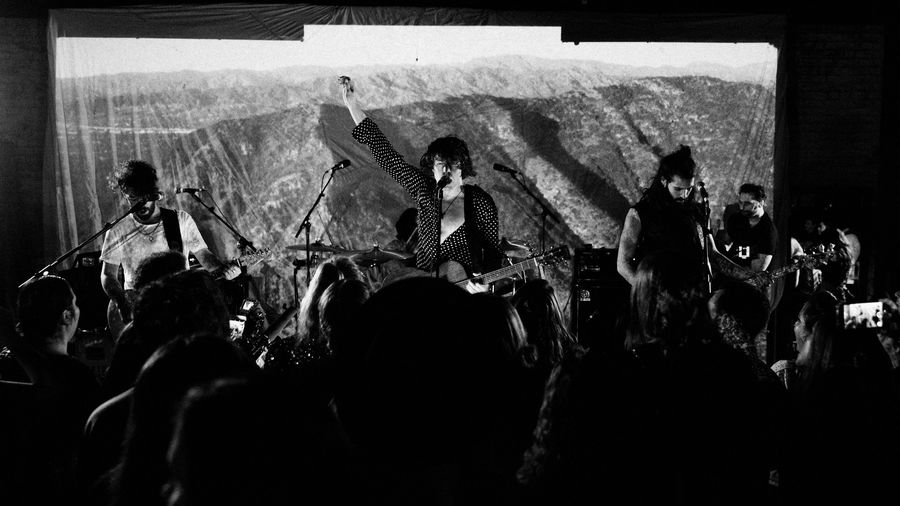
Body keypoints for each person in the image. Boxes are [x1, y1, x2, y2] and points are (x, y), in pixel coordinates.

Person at [339, 76, 502, 292]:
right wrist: (353, 105)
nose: (446, 171)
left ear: (463, 168)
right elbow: (387, 157)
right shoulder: (425, 190)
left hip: (462, 293)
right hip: (423, 290)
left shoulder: (480, 202)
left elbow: (493, 253)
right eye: (440, 165)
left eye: (452, 165)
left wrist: (485, 285)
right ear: (432, 169)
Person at [99, 159, 239, 337]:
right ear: (126, 196)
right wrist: (121, 302)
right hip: (139, 314)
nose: (140, 204)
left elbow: (204, 255)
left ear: (154, 193)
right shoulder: (118, 230)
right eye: (133, 199)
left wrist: (223, 270)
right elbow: (107, 274)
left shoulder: (181, 221)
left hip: (179, 312)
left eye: (145, 197)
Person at [616, 145, 706, 287]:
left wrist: (751, 278)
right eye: (678, 189)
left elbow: (710, 254)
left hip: (690, 295)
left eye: (688, 189)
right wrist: (647, 293)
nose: (684, 195)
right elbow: (623, 264)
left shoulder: (695, 212)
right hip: (655, 296)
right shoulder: (639, 213)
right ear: (664, 181)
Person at [724, 183, 777, 273]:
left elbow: (757, 270)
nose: (741, 207)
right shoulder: (735, 219)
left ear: (761, 203)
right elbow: (726, 243)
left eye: (747, 204)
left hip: (750, 283)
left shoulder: (768, 232)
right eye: (740, 202)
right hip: (726, 275)